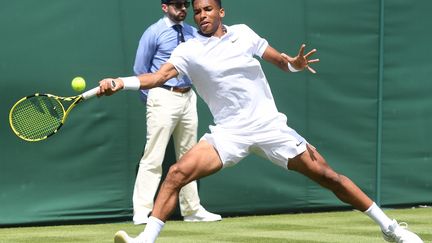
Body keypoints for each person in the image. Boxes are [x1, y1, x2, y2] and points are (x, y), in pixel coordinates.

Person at [98, 0, 424, 242]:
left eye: (208, 9)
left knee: (329, 177)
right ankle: (146, 240)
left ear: (221, 11)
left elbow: (282, 62)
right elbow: (156, 77)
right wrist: (120, 82)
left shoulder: (244, 34)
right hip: (228, 133)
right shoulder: (189, 50)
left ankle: (391, 228)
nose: (202, 15)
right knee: (176, 173)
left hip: (269, 126)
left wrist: (295, 64)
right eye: (198, 11)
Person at [131, 0, 221, 225]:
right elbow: (140, 69)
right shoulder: (153, 32)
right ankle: (142, 211)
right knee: (153, 156)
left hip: (188, 97)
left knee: (189, 156)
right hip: (162, 95)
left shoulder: (192, 32)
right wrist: (152, 98)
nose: (183, 9)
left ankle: (192, 210)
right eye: (177, 5)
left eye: (185, 5)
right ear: (165, 7)